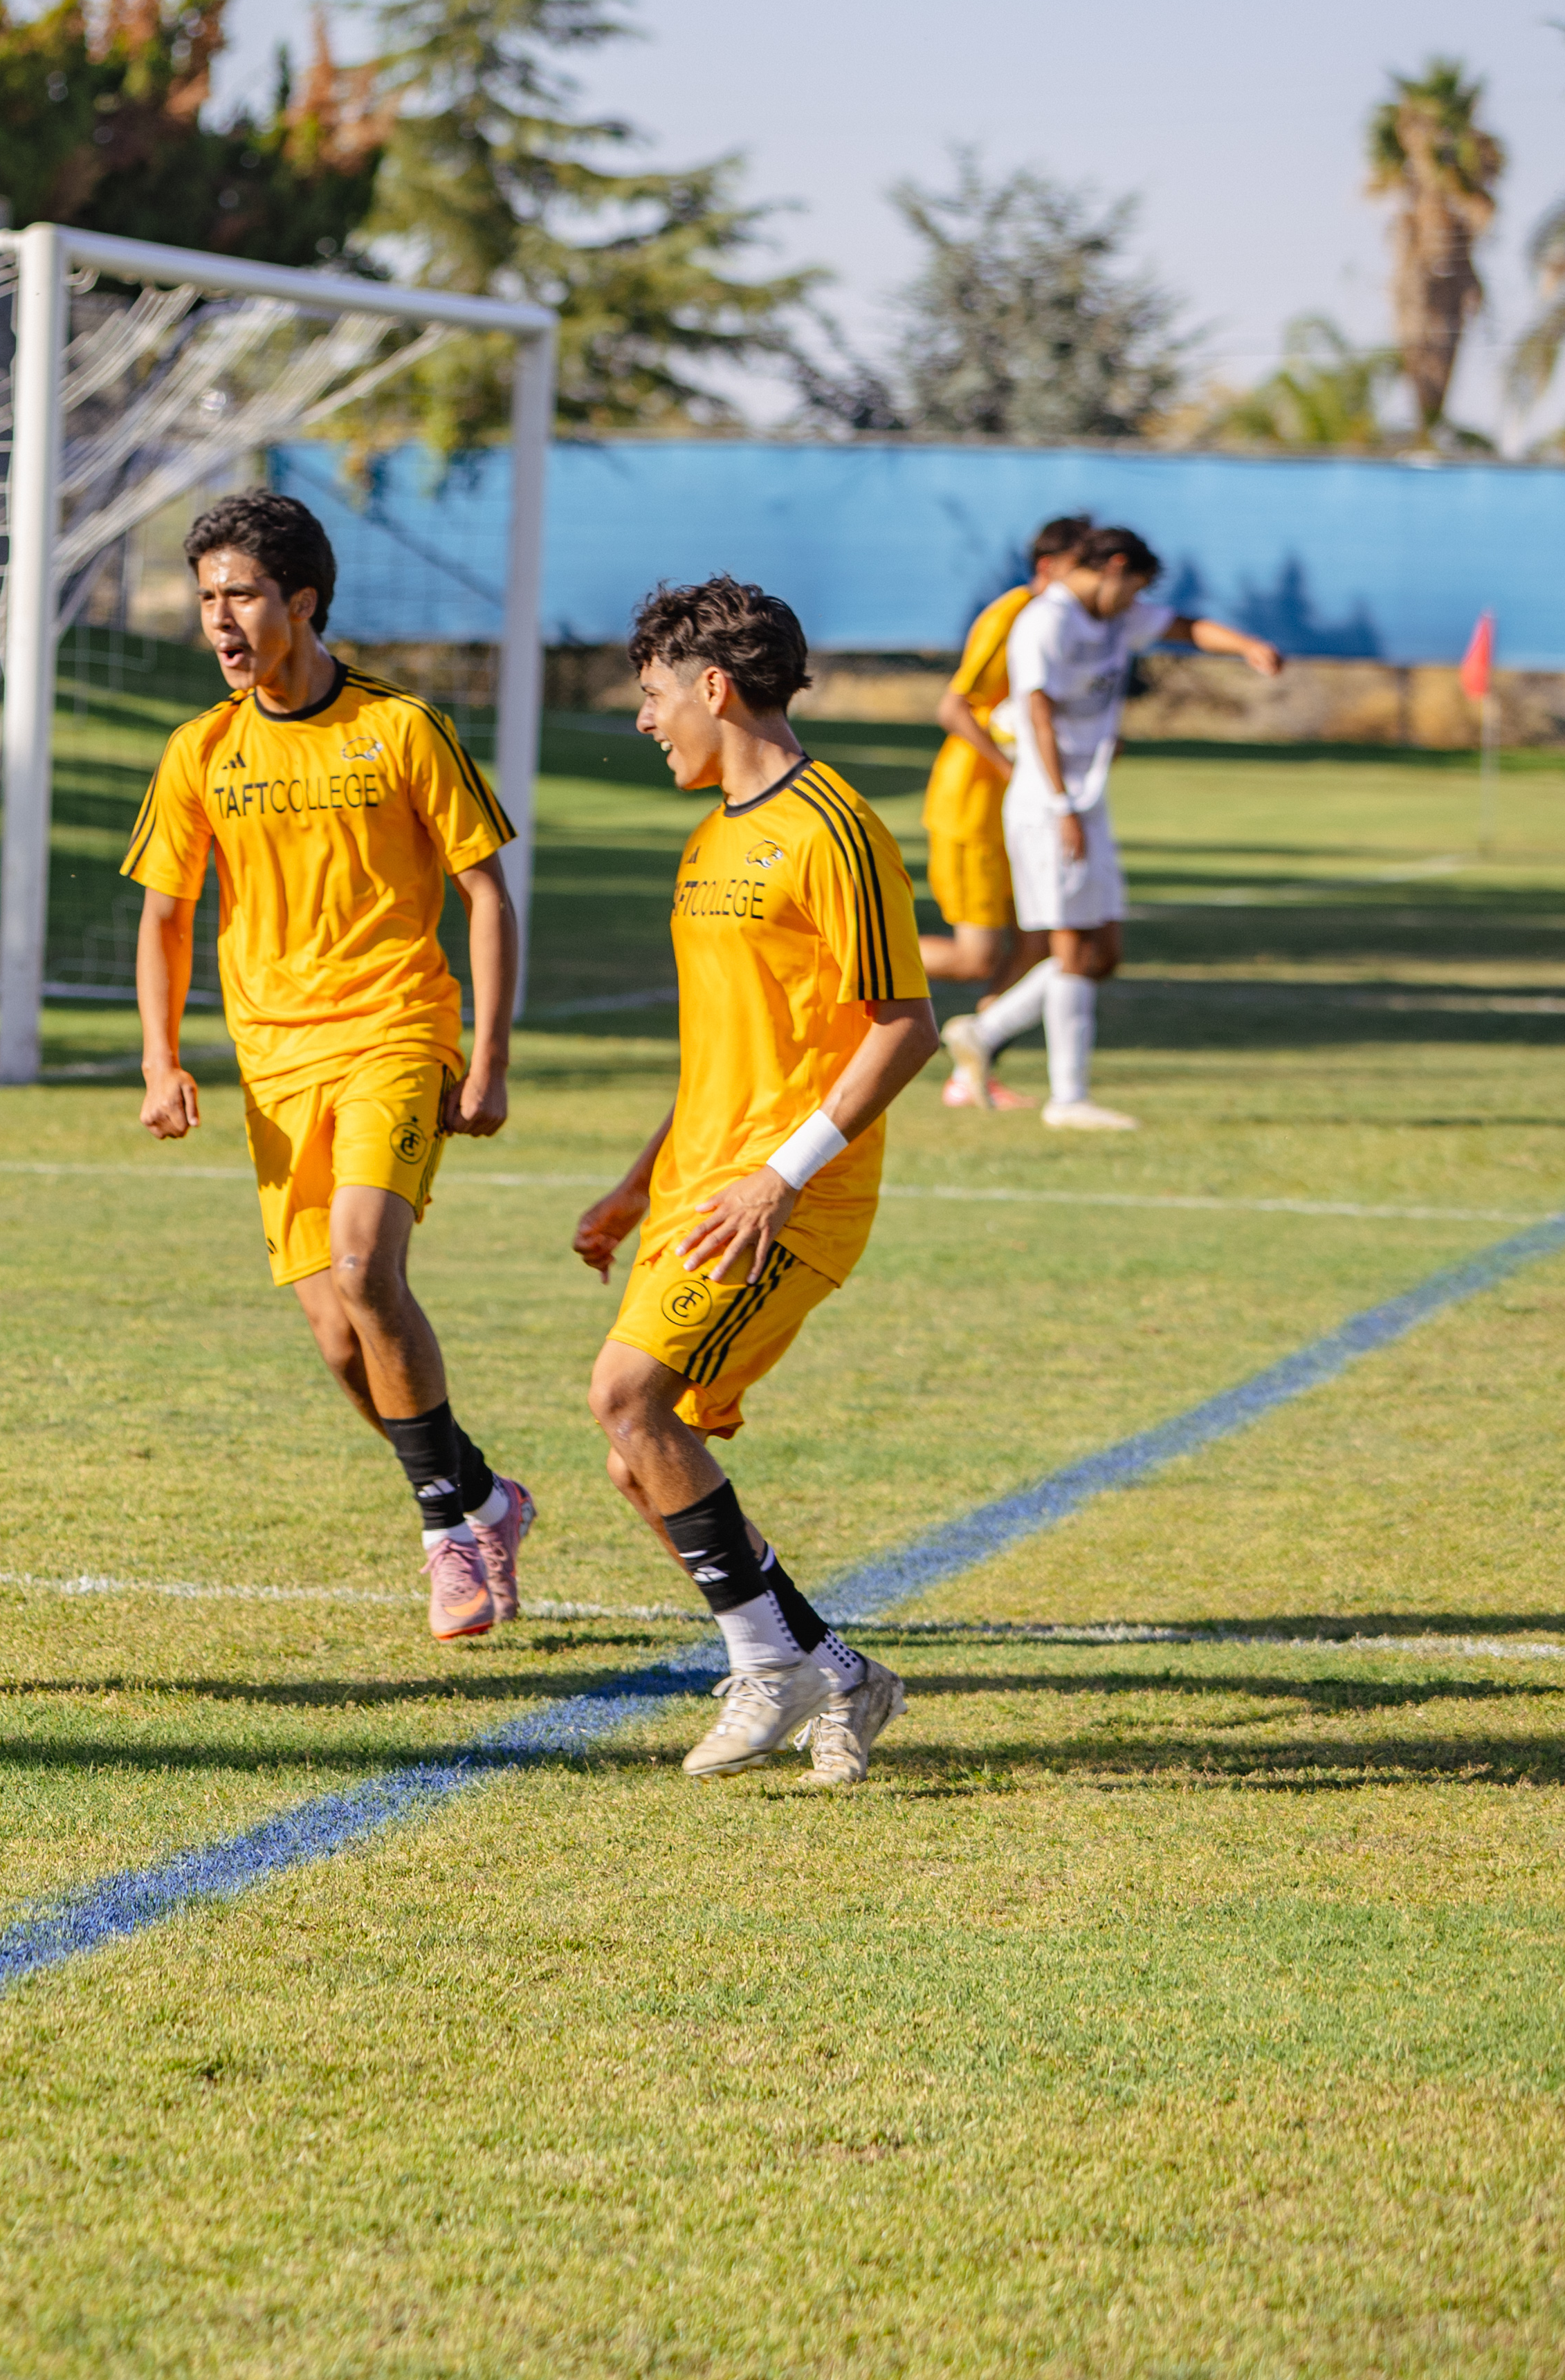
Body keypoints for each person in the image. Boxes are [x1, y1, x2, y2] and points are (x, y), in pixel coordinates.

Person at [123, 491, 537, 1641]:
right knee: (336, 1335)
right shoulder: (201, 749)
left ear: (302, 603)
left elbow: (487, 895)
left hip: (398, 1032)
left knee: (365, 1270)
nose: (221, 619)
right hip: (273, 1064)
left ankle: (445, 1542)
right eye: (207, 598)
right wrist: (161, 1062)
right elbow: (164, 917)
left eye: (242, 594)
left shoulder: (403, 729)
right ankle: (490, 1499)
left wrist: (490, 1060)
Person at [574, 578, 935, 1784]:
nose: (644, 720)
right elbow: (731, 1044)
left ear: (714, 688)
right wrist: (638, 1181)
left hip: (790, 1196)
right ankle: (835, 1672)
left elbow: (904, 1025)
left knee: (628, 1399)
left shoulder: (835, 829)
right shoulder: (710, 837)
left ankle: (766, 1666)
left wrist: (781, 1176)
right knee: (642, 1456)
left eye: (653, 695)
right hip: (698, 1187)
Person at [944, 526, 1285, 1132]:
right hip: (1049, 800)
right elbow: (1038, 716)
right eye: (1134, 590)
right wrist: (1060, 802)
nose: (1136, 605)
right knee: (1072, 947)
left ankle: (986, 1029)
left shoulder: (1113, 616)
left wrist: (1248, 646)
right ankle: (1067, 1099)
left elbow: (1184, 627)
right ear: (1114, 568)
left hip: (1085, 799)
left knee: (1104, 954)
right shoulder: (1043, 623)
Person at [916, 516, 1088, 1107]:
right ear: (1048, 568)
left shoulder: (1071, 624)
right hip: (974, 808)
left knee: (1038, 944)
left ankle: (971, 1071)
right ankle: (836, 956)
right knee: (976, 956)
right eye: (1078, 567)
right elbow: (954, 707)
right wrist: (1015, 769)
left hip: (1021, 815)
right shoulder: (1012, 614)